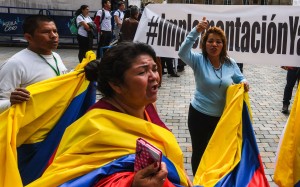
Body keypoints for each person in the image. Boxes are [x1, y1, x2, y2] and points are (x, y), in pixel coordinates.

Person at [27, 42, 192, 187]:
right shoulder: (93, 126)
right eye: (142, 72)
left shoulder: (146, 106)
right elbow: (73, 180)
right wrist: (131, 184)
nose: (154, 77)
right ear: (116, 85)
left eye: (155, 69)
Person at [178, 17, 250, 176]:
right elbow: (182, 52)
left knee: (218, 153)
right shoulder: (198, 60)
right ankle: (198, 181)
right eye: (210, 41)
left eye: (218, 41)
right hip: (199, 115)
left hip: (222, 118)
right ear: (204, 44)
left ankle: (214, 180)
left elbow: (240, 78)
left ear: (223, 45)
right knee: (200, 151)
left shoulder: (230, 63)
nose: (214, 44)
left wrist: (244, 83)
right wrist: (196, 31)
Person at [0, 14, 67, 114]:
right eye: (46, 32)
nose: (53, 36)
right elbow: (2, 102)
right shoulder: (15, 64)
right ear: (28, 37)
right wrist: (11, 102)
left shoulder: (56, 57)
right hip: (31, 128)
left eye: (55, 31)